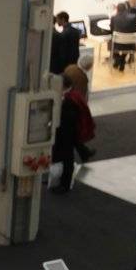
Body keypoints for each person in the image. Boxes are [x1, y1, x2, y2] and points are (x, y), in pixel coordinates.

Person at [51, 63, 95, 193]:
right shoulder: (74, 96)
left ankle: (64, 184)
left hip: (67, 134)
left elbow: (68, 121)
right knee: (65, 157)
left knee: (67, 158)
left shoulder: (69, 101)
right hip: (69, 133)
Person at [49, 12, 81, 77]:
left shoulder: (63, 34)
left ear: (63, 19)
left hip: (64, 65)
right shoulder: (75, 31)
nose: (57, 21)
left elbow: (63, 53)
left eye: (58, 19)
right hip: (74, 61)